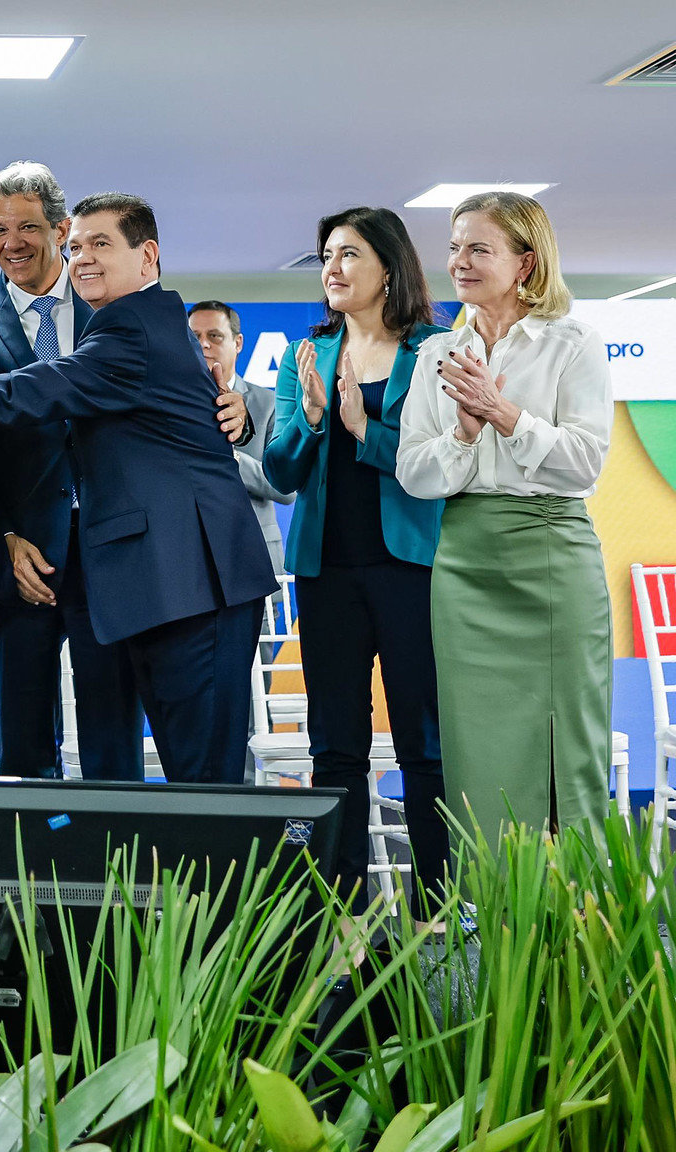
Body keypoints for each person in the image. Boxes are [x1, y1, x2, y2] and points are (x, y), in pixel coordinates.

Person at [0, 192, 275, 784]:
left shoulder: (129, 325)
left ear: (148, 256)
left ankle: (194, 853)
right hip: (142, 575)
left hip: (189, 579)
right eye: (79, 247)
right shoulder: (132, 318)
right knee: (185, 774)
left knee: (203, 780)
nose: (83, 257)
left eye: (100, 244)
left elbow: (26, 390)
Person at [396, 192, 612, 845]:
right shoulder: (436, 354)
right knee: (477, 754)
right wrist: (464, 434)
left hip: (552, 557)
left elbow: (585, 464)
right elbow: (414, 473)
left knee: (567, 746)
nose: (459, 261)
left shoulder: (572, 343)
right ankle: (493, 900)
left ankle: (576, 900)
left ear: (525, 262)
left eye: (478, 249)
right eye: (454, 247)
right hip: (466, 565)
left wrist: (503, 413)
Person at [265, 207, 450, 908]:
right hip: (327, 573)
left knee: (424, 743)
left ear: (389, 267)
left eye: (348, 255)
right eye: (327, 257)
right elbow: (281, 470)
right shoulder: (305, 354)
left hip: (411, 569)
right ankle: (337, 911)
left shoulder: (432, 349)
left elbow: (439, 463)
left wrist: (363, 428)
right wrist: (314, 421)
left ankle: (439, 909)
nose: (333, 269)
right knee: (335, 746)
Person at [0, 162, 142, 781]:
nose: (12, 243)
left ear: (60, 228)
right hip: (21, 552)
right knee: (22, 735)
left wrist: (228, 403)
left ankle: (117, 842)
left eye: (26, 227)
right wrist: (3, 535)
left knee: (113, 728)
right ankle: (36, 842)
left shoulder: (110, 305)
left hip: (111, 544)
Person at [189, 300, 292, 577]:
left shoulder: (270, 404)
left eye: (214, 335)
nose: (204, 344)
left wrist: (229, 458)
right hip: (191, 559)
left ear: (238, 343)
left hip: (254, 556)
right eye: (195, 337)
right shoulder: (168, 406)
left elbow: (286, 488)